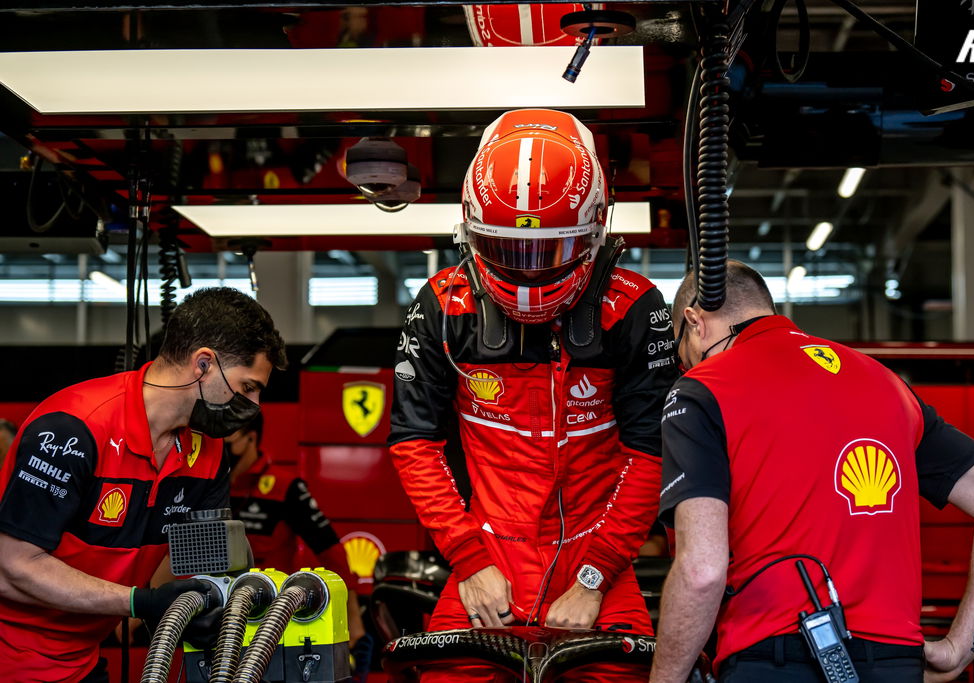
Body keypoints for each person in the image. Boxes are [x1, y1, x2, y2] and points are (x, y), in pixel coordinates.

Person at [388, 108, 677, 681]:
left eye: (549, 251)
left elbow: (652, 453)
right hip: (487, 559)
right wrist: (469, 561)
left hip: (597, 562)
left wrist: (594, 576)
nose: (528, 272)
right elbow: (414, 443)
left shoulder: (634, 308)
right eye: (509, 251)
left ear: (595, 229)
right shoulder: (444, 306)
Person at [650, 264, 974, 683]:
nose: (687, 367)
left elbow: (702, 571)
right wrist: (958, 649)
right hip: (896, 664)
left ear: (694, 322)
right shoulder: (886, 383)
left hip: (774, 659)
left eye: (683, 355)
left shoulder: (703, 387)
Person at [0, 287, 286, 683]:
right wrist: (140, 602)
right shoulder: (75, 427)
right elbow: (12, 566)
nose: (253, 405)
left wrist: (208, 605)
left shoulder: (207, 451)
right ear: (204, 364)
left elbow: (206, 565)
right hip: (10, 658)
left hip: (81, 660)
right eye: (248, 387)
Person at [225, 411, 369, 658]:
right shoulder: (209, 487)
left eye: (227, 439)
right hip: (222, 610)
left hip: (272, 613)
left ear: (251, 438)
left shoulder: (285, 487)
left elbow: (329, 548)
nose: (221, 448)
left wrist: (352, 616)